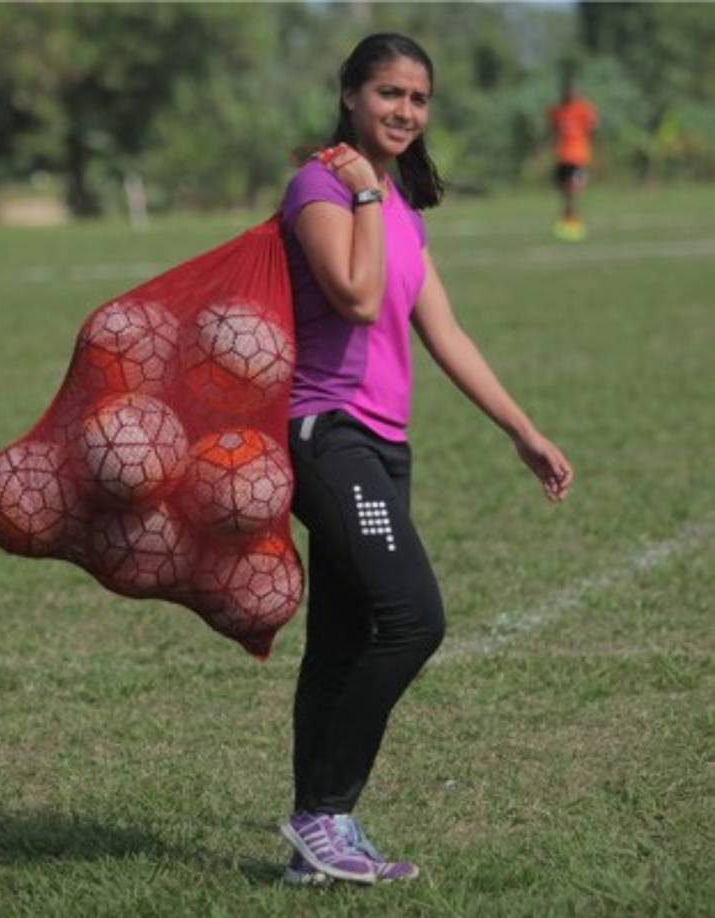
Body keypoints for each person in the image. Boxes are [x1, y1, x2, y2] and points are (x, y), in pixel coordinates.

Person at [278, 33, 574, 886]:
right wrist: (365, 194)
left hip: (383, 444)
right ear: (348, 97)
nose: (404, 111)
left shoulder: (399, 207)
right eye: (387, 94)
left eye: (417, 98)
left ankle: (315, 852)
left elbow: (441, 330)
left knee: (340, 640)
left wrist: (521, 429)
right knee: (413, 618)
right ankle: (321, 814)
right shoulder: (322, 187)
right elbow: (357, 295)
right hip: (325, 435)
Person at [548, 80, 598, 241]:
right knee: (564, 190)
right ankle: (567, 219)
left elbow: (593, 127)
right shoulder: (557, 111)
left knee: (573, 190)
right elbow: (553, 130)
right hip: (562, 155)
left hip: (578, 156)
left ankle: (573, 221)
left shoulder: (583, 109)